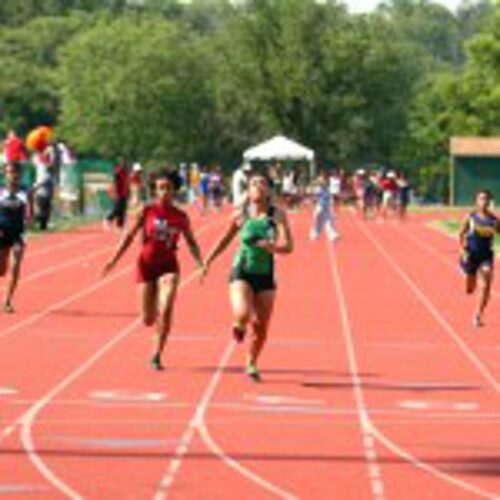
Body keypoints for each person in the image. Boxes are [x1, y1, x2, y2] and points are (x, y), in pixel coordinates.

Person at [103, 169, 204, 370]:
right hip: (146, 266)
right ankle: (156, 318)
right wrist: (113, 260)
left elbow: (191, 242)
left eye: (169, 188)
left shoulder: (181, 216)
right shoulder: (146, 211)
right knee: (147, 319)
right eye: (161, 188)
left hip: (168, 266)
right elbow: (129, 237)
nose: (165, 192)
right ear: (154, 191)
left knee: (166, 309)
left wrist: (201, 263)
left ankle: (156, 354)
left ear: (175, 190)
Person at [203, 173, 294, 381]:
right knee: (243, 314)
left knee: (261, 330)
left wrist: (271, 247)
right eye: (254, 183)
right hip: (242, 271)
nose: (259, 187)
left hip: (265, 275)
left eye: (263, 184)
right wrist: (208, 260)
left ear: (269, 190)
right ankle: (239, 324)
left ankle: (251, 362)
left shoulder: (277, 215)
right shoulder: (242, 215)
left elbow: (289, 246)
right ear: (248, 190)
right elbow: (225, 239)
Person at [459, 190, 500, 327]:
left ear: (490, 202)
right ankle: (469, 277)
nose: (484, 202)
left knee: (486, 283)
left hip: (486, 255)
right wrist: (462, 249)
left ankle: (478, 314)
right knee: (470, 288)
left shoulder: (494, 220)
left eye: (486, 199)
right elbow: (461, 234)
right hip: (471, 254)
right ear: (476, 201)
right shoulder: (470, 217)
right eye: (481, 199)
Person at [0, 162, 33, 313]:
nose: (13, 176)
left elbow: (30, 212)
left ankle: (7, 301)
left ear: (19, 174)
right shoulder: (0, 190)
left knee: (15, 266)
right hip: (2, 232)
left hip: (18, 234)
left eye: (15, 173)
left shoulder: (26, 191)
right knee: (1, 270)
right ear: (5, 174)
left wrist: (28, 222)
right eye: (9, 173)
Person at [310, 170, 339, 242]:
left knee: (328, 220)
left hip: (327, 203)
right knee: (318, 218)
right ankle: (314, 234)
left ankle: (332, 235)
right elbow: (316, 186)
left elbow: (324, 185)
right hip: (320, 204)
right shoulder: (320, 182)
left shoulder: (328, 181)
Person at [105, 160, 130, 230]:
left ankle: (120, 225)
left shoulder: (125, 173)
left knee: (123, 210)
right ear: (120, 165)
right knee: (116, 209)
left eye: (126, 165)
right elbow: (115, 182)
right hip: (118, 194)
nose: (125, 166)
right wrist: (114, 192)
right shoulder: (117, 172)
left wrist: (128, 192)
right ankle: (108, 219)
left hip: (124, 194)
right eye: (124, 164)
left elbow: (126, 184)